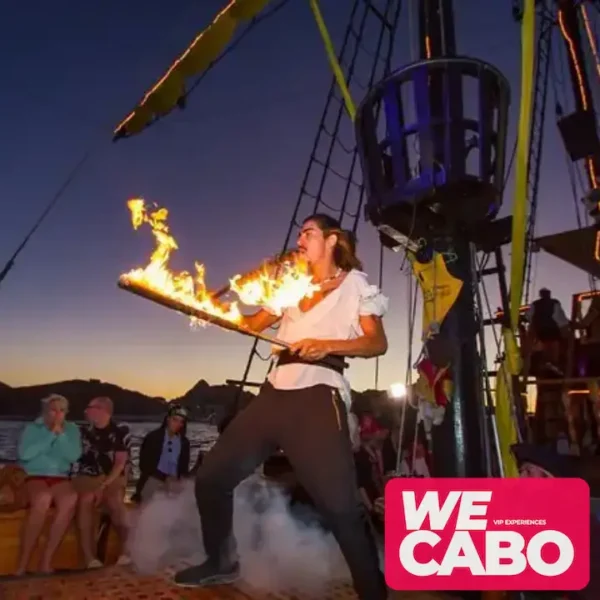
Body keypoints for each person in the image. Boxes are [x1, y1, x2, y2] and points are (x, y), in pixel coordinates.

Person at [175, 213, 389, 600]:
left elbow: (377, 343)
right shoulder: (293, 285)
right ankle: (221, 561)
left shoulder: (354, 284)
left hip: (318, 395)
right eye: (300, 233)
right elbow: (253, 323)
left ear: (332, 240)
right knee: (212, 479)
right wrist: (206, 308)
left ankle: (373, 592)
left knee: (341, 508)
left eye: (308, 233)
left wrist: (329, 344)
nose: (300, 239)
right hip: (273, 393)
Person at [16, 394, 82, 575]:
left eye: (62, 410)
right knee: (42, 499)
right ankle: (23, 564)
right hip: (35, 475)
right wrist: (49, 435)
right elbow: (25, 454)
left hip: (60, 477)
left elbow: (73, 456)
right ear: (45, 411)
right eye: (53, 409)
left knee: (70, 498)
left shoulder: (72, 430)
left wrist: (60, 436)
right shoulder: (32, 428)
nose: (58, 414)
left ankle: (46, 561)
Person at [72, 396, 131, 568]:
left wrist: (103, 486)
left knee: (114, 502)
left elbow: (120, 463)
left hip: (113, 475)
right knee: (85, 500)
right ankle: (89, 558)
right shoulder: (82, 431)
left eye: (90, 407)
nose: (86, 411)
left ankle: (127, 551)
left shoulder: (121, 430)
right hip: (88, 476)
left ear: (103, 411)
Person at [133, 404, 190, 503]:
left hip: (174, 481)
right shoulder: (153, 437)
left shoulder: (184, 443)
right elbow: (143, 464)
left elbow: (184, 468)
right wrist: (163, 477)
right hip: (154, 478)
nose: (177, 424)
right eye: (174, 420)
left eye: (181, 422)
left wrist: (178, 480)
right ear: (168, 419)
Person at [525, 287, 570, 376]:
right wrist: (567, 325)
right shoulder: (554, 302)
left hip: (540, 330)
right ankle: (553, 362)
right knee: (555, 344)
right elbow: (560, 317)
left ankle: (547, 362)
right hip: (551, 328)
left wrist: (534, 326)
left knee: (546, 344)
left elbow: (528, 316)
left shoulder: (535, 304)